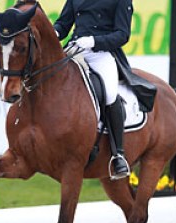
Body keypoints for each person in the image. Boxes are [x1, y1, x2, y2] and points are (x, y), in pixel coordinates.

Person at [54, 0, 134, 179]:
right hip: (75, 48)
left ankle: (118, 155)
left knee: (110, 94)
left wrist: (93, 41)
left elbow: (122, 34)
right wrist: (54, 31)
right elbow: (64, 23)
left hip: (101, 53)